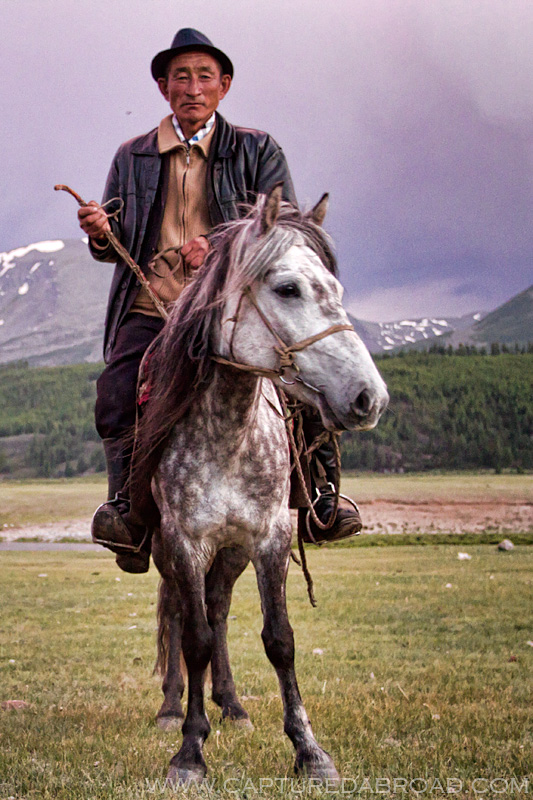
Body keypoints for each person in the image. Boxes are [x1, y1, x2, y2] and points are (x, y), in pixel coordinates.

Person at [79, 28, 362, 574]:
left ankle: (321, 499)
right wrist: (99, 231)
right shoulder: (131, 156)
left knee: (304, 373)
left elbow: (291, 227)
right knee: (116, 389)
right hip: (153, 306)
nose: (192, 87)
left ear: (224, 85)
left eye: (204, 76)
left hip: (232, 308)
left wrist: (220, 244)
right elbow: (114, 242)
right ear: (163, 87)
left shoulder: (257, 148)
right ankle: (126, 514)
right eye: (180, 76)